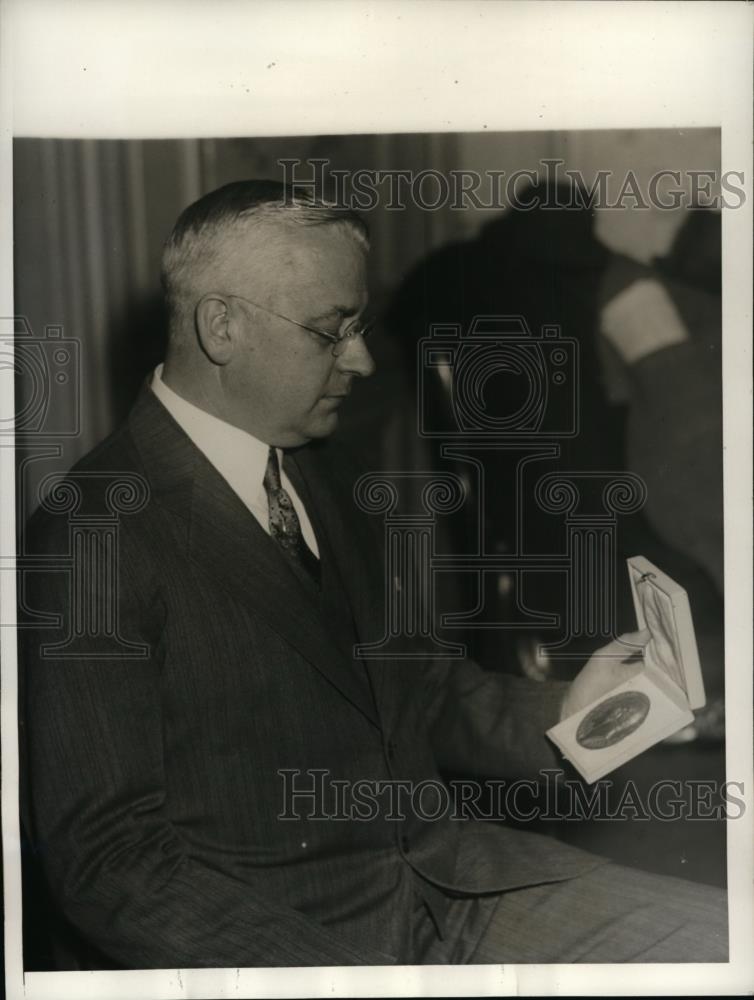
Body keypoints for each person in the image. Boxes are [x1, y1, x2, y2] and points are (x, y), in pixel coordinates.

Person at [20, 180, 727, 968]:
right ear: (221, 327)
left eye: (359, 326)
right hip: (298, 942)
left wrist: (575, 713)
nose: (359, 359)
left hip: (456, 884)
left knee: (726, 939)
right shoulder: (95, 529)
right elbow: (111, 861)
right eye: (331, 331)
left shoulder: (323, 471)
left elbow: (415, 689)